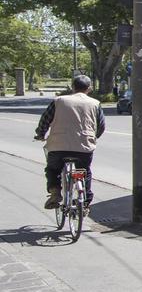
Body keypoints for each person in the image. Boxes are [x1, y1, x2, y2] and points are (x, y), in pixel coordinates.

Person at [34, 74, 105, 208]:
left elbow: (45, 120)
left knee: (53, 169)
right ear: (89, 89)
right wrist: (92, 137)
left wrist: (40, 134)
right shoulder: (95, 103)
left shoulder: (59, 101)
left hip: (58, 146)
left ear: (72, 87)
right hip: (84, 146)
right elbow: (101, 126)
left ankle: (55, 192)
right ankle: (85, 199)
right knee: (84, 171)